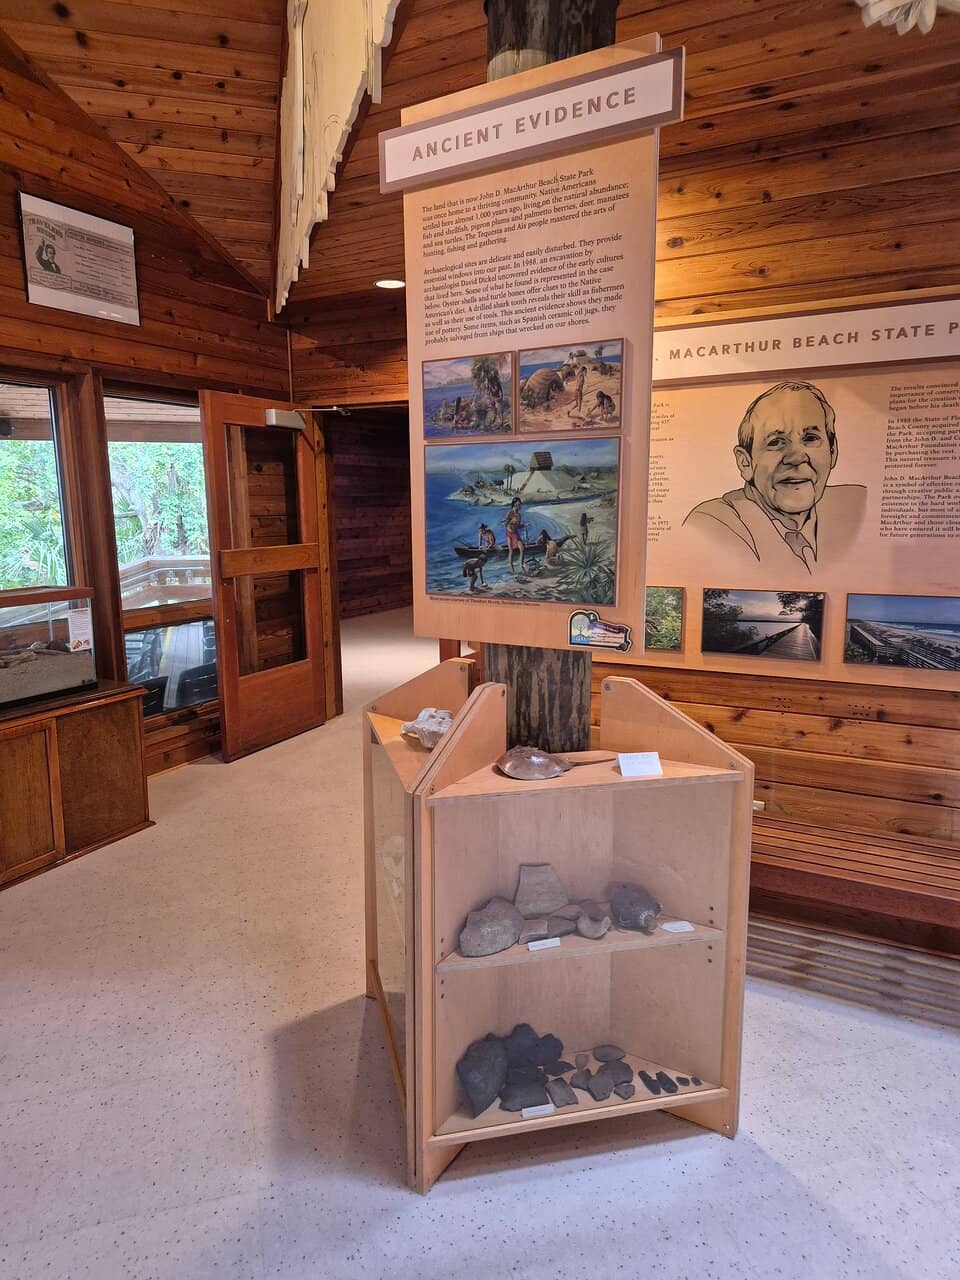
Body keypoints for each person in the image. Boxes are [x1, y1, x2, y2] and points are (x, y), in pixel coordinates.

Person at [683, 380, 866, 572]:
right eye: (776, 442)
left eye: (810, 438)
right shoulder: (712, 525)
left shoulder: (857, 506)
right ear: (745, 462)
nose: (796, 457)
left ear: (833, 452)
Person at [504, 497, 525, 573]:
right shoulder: (510, 513)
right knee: (511, 551)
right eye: (518, 504)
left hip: (516, 534)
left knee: (522, 549)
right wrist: (510, 521)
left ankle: (521, 566)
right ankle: (511, 568)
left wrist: (523, 526)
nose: (519, 506)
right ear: (514, 504)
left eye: (520, 504)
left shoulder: (519, 515)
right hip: (509, 534)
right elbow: (505, 524)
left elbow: (518, 526)